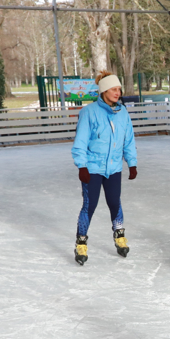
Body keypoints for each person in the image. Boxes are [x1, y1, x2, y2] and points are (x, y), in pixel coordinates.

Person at [70, 72, 138, 266]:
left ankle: (119, 236)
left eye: (119, 89)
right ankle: (81, 242)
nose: (118, 93)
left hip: (114, 167)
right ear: (104, 90)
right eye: (114, 89)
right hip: (92, 167)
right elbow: (81, 141)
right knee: (89, 206)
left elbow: (128, 140)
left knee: (114, 202)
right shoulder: (89, 112)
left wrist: (131, 162)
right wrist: (82, 165)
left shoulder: (122, 112)